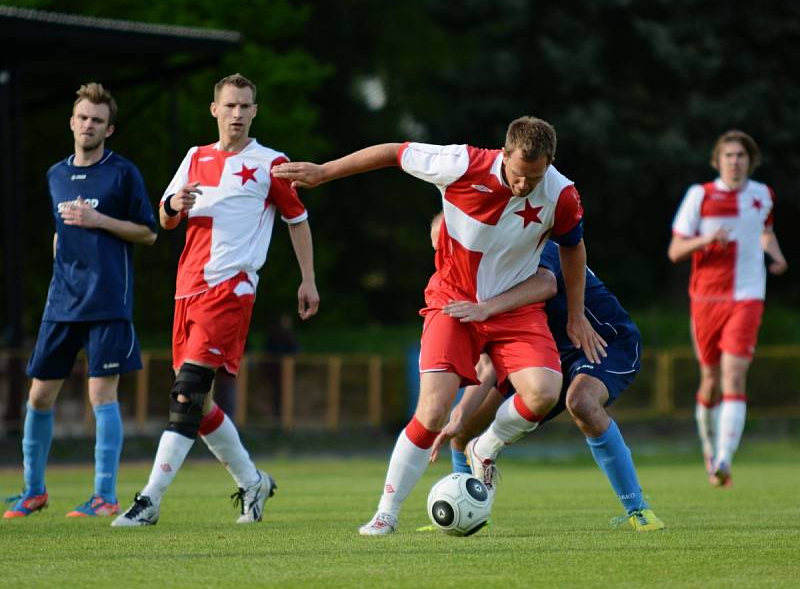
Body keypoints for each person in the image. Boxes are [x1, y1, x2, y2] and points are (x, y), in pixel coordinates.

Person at [272, 116, 606, 535]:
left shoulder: (562, 194)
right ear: (504, 154)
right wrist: (324, 172)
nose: (524, 186)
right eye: (519, 176)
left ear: (550, 163)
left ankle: (485, 446)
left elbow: (574, 250)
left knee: (542, 395)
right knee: (431, 411)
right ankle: (386, 514)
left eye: (534, 178)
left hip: (513, 308)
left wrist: (575, 314)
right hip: (453, 301)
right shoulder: (460, 164)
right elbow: (393, 152)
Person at [112, 73, 319, 527]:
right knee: (199, 402)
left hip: (231, 290)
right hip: (187, 290)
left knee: (185, 395)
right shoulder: (194, 157)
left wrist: (308, 279)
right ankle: (252, 482)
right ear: (214, 110)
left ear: (255, 112)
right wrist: (174, 206)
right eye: (230, 106)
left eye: (245, 106)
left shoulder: (271, 163)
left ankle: (149, 501)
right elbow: (165, 220)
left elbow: (297, 219)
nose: (238, 114)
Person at [427, 211, 664, 531]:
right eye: (438, 249)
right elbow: (488, 365)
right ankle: (469, 512)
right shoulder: (474, 284)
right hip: (544, 360)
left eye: (451, 244)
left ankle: (638, 510)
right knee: (465, 426)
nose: (447, 255)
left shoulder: (523, 245)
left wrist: (485, 309)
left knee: (581, 402)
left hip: (605, 343)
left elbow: (547, 282)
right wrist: (457, 418)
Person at [4, 83, 157, 519]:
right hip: (62, 304)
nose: (89, 125)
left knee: (101, 396)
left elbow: (147, 233)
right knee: (38, 397)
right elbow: (61, 234)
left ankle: (104, 497)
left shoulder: (122, 173)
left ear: (110, 129)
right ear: (72, 122)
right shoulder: (55, 174)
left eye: (98, 120)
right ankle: (33, 491)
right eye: (83, 117)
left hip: (108, 301)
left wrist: (99, 219)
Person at [668, 130, 786, 488]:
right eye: (728, 155)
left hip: (748, 295)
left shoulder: (763, 195)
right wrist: (705, 239)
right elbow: (675, 251)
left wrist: (775, 254)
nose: (735, 161)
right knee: (710, 381)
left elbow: (764, 230)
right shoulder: (698, 196)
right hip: (706, 299)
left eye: (741, 155)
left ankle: (724, 459)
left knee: (734, 376)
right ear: (717, 161)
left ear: (751, 160)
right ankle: (710, 448)